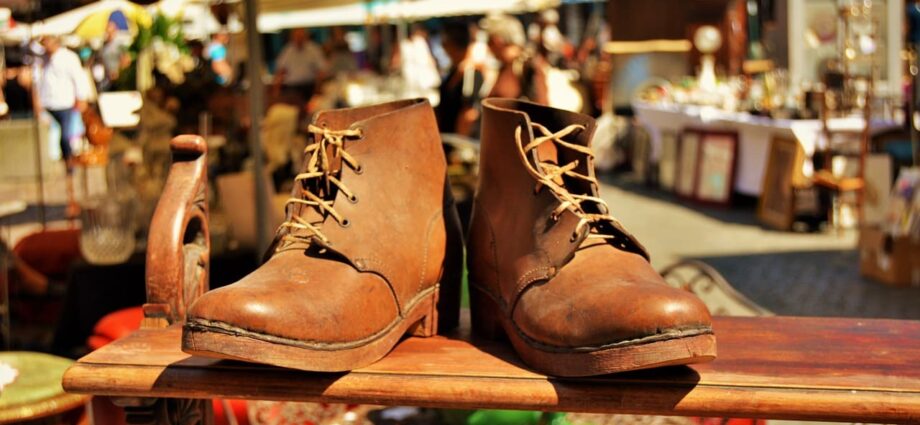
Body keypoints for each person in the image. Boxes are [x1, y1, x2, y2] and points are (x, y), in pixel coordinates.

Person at [480, 13, 547, 104]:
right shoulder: (507, 65)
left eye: (489, 41)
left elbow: (541, 106)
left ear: (497, 40)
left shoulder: (527, 65)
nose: (488, 47)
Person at [435, 21, 484, 137]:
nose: (442, 46)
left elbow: (469, 112)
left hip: (456, 139)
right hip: (447, 136)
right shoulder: (455, 69)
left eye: (444, 42)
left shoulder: (470, 72)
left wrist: (460, 143)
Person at [272, 28, 327, 104]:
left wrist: (318, 88)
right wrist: (276, 90)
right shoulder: (287, 51)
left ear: (306, 36)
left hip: (309, 87)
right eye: (297, 36)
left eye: (301, 36)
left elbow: (321, 71)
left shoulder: (314, 50)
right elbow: (280, 72)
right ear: (292, 37)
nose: (299, 39)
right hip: (292, 88)